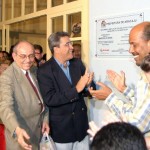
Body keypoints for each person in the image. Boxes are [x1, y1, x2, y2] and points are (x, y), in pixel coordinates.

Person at [37, 31, 95, 150]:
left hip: (82, 127)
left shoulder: (77, 64)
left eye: (71, 44)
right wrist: (77, 89)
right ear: (56, 49)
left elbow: (88, 89)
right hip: (61, 131)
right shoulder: (44, 70)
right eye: (67, 44)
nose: (72, 47)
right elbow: (50, 99)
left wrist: (88, 86)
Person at [0, 41, 49, 150]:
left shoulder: (34, 70)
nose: (28, 60)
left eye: (31, 56)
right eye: (23, 56)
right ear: (14, 56)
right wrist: (16, 129)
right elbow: (5, 107)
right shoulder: (7, 77)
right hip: (21, 137)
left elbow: (41, 99)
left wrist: (45, 119)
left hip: (38, 133)